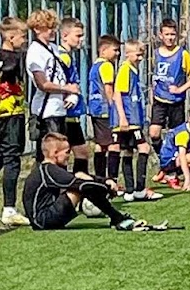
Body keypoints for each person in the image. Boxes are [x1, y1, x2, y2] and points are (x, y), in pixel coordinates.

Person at [22, 132, 136, 231]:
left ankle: (116, 217)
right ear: (55, 153)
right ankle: (116, 217)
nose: (69, 155)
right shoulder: (49, 170)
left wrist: (105, 181)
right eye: (67, 152)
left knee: (80, 178)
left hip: (40, 220)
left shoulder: (47, 169)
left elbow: (77, 178)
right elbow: (82, 185)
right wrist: (106, 187)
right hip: (43, 221)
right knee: (82, 187)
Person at [0, 17, 29, 225]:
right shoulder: (16, 58)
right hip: (11, 113)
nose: (25, 40)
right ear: (10, 37)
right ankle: (9, 208)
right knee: (12, 156)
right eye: (22, 36)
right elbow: (10, 71)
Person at [26, 9, 80, 162]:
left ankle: (59, 183)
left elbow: (65, 77)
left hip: (59, 108)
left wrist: (72, 93)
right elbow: (42, 83)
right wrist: (67, 89)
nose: (52, 31)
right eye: (48, 28)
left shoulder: (54, 49)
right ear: (37, 29)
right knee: (50, 155)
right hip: (46, 111)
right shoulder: (35, 52)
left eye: (54, 27)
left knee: (62, 152)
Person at [113, 39, 162, 201]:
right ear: (128, 54)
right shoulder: (125, 69)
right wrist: (122, 118)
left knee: (127, 151)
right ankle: (139, 189)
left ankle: (129, 191)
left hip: (133, 119)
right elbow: (118, 94)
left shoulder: (132, 70)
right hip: (128, 119)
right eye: (138, 55)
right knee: (144, 148)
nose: (141, 58)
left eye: (142, 55)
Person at [149, 18, 190, 156]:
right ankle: (163, 158)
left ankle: (175, 161)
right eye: (167, 34)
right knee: (154, 133)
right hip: (159, 100)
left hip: (176, 102)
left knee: (176, 135)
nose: (170, 38)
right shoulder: (155, 54)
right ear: (160, 35)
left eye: (172, 34)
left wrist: (180, 89)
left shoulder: (182, 54)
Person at [57, 17, 91, 174]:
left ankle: (78, 190)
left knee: (81, 151)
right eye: (78, 35)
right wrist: (71, 94)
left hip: (72, 114)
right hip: (64, 114)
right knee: (64, 153)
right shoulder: (62, 57)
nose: (81, 39)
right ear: (64, 35)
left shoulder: (68, 56)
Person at [87, 35, 122, 182]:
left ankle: (99, 178)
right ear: (103, 50)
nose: (118, 53)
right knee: (114, 145)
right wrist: (115, 109)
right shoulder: (107, 65)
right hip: (105, 110)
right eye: (115, 50)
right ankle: (111, 180)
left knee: (100, 145)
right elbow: (109, 89)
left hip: (95, 109)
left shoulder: (95, 65)